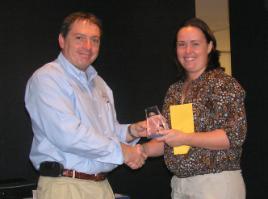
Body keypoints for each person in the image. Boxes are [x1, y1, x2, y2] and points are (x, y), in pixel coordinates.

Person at [25, 11, 147, 199]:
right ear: (62, 40)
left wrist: (132, 132)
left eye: (95, 40)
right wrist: (124, 152)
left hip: (102, 186)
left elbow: (107, 133)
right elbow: (68, 134)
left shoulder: (100, 84)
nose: (88, 46)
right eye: (79, 38)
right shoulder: (47, 78)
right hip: (65, 187)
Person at [143, 18, 247, 199]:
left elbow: (233, 136)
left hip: (216, 185)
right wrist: (140, 151)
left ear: (209, 47)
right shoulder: (175, 90)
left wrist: (185, 137)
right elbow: (169, 141)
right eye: (181, 44)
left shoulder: (223, 84)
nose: (188, 51)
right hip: (180, 185)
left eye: (195, 44)